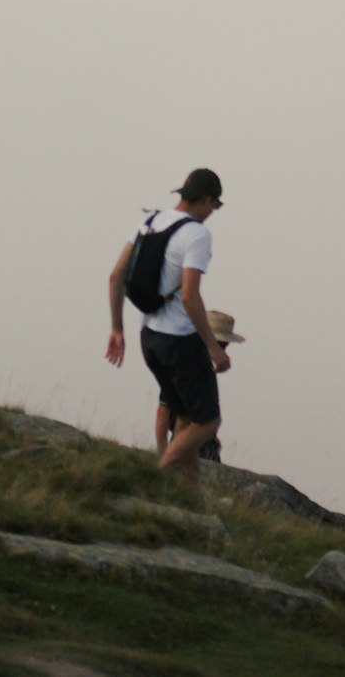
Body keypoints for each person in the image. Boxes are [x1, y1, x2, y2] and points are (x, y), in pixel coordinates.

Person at [106, 167, 230, 487]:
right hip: (179, 341)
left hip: (149, 336)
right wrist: (214, 347)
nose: (212, 214)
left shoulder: (149, 222)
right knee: (208, 422)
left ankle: (191, 498)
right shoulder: (196, 234)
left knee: (186, 420)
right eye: (214, 206)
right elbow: (190, 295)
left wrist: (117, 329)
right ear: (205, 200)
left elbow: (115, 276)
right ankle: (154, 482)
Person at [155, 309, 245, 462]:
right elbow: (163, 411)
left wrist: (211, 436)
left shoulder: (202, 366)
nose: (223, 350)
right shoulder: (183, 364)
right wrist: (162, 453)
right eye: (221, 344)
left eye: (225, 345)